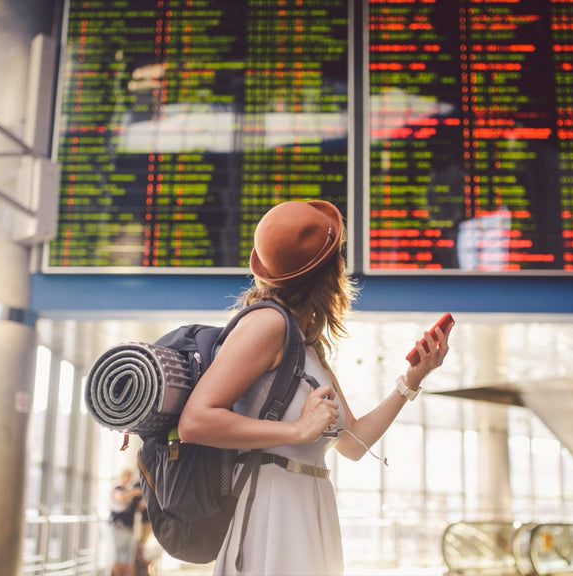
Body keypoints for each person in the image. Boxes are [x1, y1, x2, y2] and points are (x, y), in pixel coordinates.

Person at [179, 200, 452, 575]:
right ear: (330, 269)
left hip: (308, 505)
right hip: (272, 513)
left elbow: (353, 443)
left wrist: (412, 380)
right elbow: (194, 422)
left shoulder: (305, 341)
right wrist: (296, 430)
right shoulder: (267, 325)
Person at [108, 469, 142, 576]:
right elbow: (121, 498)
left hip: (130, 529)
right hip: (118, 528)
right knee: (116, 557)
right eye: (126, 476)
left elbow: (139, 506)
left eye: (129, 477)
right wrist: (135, 491)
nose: (128, 479)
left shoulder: (131, 492)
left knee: (129, 559)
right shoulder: (118, 489)